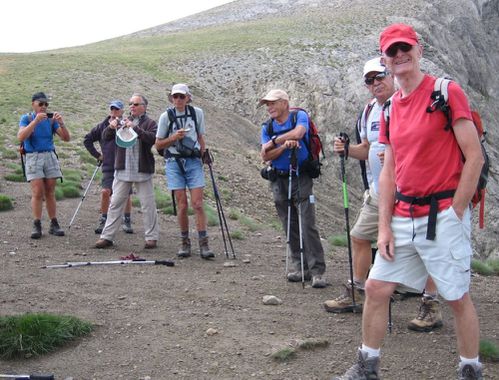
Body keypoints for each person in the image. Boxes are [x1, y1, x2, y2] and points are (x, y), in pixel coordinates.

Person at [334, 23, 484, 380]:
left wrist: (457, 210)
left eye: (405, 49)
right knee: (375, 286)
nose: (400, 56)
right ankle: (367, 366)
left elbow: (474, 157)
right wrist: (384, 226)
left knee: (456, 297)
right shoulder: (389, 109)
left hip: (443, 212)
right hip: (404, 213)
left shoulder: (445, 92)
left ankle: (470, 370)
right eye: (392, 51)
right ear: (386, 59)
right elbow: (389, 171)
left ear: (418, 51)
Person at [323, 58, 443, 334]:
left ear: (392, 75)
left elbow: (428, 147)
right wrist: (347, 150)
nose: (376, 83)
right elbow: (366, 149)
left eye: (381, 77)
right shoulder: (368, 112)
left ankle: (430, 304)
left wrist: (394, 155)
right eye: (370, 80)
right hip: (379, 192)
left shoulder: (410, 103)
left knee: (425, 248)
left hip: (413, 193)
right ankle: (357, 290)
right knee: (359, 236)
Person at [259, 89, 326, 288]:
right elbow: (265, 156)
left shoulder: (299, 116)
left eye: (272, 103)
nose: (269, 107)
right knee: (289, 224)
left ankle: (317, 271)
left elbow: (299, 133)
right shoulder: (267, 126)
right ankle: (300, 267)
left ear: (284, 103)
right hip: (279, 179)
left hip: (301, 176)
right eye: (267, 104)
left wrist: (274, 142)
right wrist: (283, 145)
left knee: (307, 223)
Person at [155, 84, 214, 259]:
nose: (178, 100)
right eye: (175, 97)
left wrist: (204, 155)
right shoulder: (166, 116)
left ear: (188, 97)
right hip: (173, 161)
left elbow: (200, 137)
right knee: (182, 204)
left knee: (197, 203)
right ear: (171, 98)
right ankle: (184, 243)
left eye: (181, 96)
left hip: (193, 161)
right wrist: (174, 137)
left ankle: (204, 244)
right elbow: (158, 144)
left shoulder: (197, 113)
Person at [95, 94, 159, 249]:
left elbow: (153, 139)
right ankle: (107, 237)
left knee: (148, 205)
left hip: (142, 169)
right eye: (130, 104)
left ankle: (151, 237)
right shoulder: (121, 121)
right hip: (123, 168)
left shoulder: (150, 123)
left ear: (144, 106)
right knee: (115, 203)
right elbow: (105, 137)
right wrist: (111, 127)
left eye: (136, 104)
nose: (132, 107)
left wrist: (135, 128)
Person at [18, 91, 71, 239]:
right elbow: (21, 136)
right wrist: (35, 122)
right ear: (33, 104)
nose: (43, 107)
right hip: (33, 156)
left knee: (50, 191)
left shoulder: (51, 120)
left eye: (46, 104)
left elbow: (66, 138)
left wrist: (61, 123)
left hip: (49, 155)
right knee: (37, 191)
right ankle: (37, 224)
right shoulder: (27, 118)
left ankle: (54, 223)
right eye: (40, 104)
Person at [84, 100, 134, 235]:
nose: (114, 111)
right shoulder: (102, 126)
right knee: (106, 191)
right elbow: (87, 140)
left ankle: (127, 219)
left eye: (117, 109)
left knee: (127, 194)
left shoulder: (126, 125)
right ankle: (104, 219)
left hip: (124, 164)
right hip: (108, 165)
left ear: (122, 111)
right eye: (112, 109)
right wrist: (98, 155)